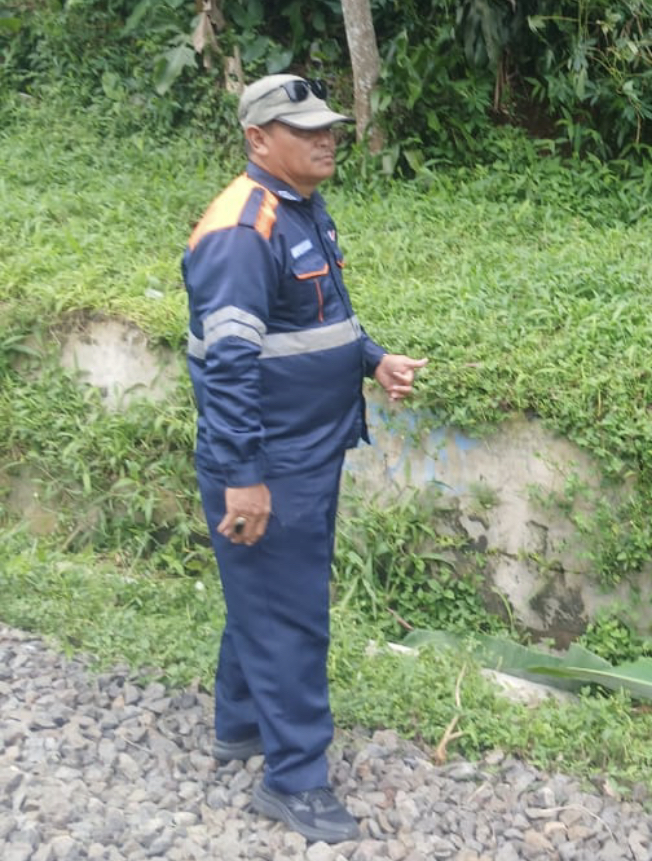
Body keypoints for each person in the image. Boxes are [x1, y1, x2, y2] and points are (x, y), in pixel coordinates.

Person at [181, 73, 428, 844]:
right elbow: (227, 363)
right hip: (271, 460)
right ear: (259, 140)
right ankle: (294, 779)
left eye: (328, 127)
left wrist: (373, 357)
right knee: (292, 616)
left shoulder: (297, 208)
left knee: (262, 593)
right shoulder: (240, 230)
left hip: (307, 449)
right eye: (306, 130)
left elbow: (318, 318)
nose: (326, 139)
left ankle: (240, 725)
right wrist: (244, 476)